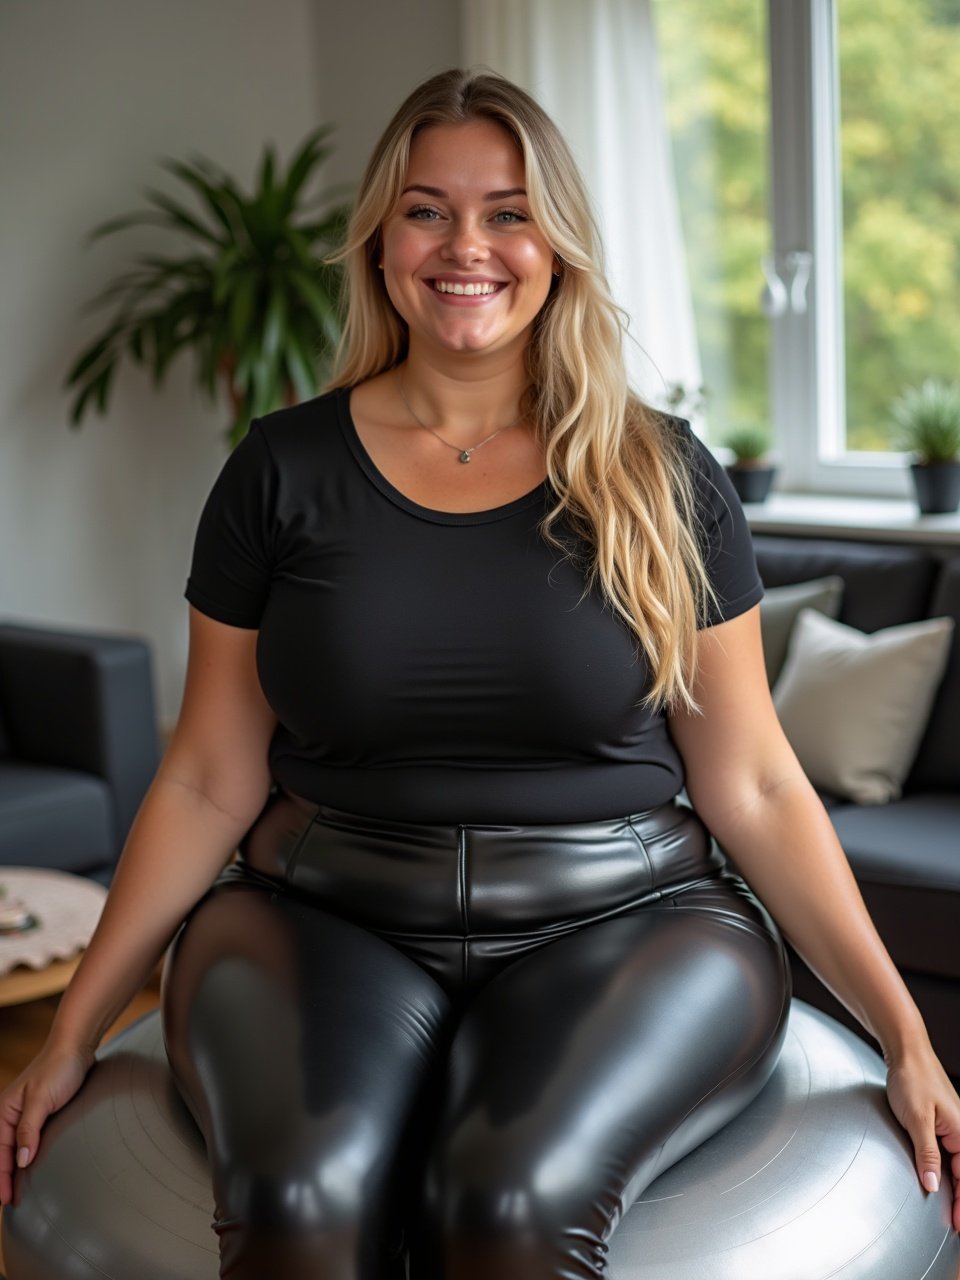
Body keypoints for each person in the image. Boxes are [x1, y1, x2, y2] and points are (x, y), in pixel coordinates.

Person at [2, 67, 958, 1279]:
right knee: (298, 1196)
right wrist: (72, 1028)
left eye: (509, 211)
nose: (468, 246)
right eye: (427, 209)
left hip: (632, 919)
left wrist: (907, 1031)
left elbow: (758, 783)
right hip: (320, 916)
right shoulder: (278, 471)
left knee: (505, 1206)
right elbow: (203, 777)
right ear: (380, 240)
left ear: (556, 243)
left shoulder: (664, 473)